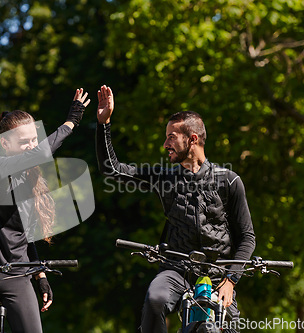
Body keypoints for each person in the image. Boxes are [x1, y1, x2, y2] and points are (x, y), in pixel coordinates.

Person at [95, 85, 256, 333]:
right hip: (175, 270)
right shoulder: (164, 178)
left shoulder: (230, 181)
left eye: (171, 136)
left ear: (192, 139)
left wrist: (231, 280)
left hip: (218, 275)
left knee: (230, 329)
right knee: (154, 300)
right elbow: (112, 169)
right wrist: (103, 124)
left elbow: (247, 238)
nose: (165, 143)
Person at [0, 88, 90, 333]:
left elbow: (24, 237)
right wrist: (71, 122)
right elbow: (38, 155)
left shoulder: (31, 183)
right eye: (23, 142)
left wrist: (40, 276)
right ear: (5, 144)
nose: (31, 147)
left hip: (15, 273)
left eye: (33, 140)